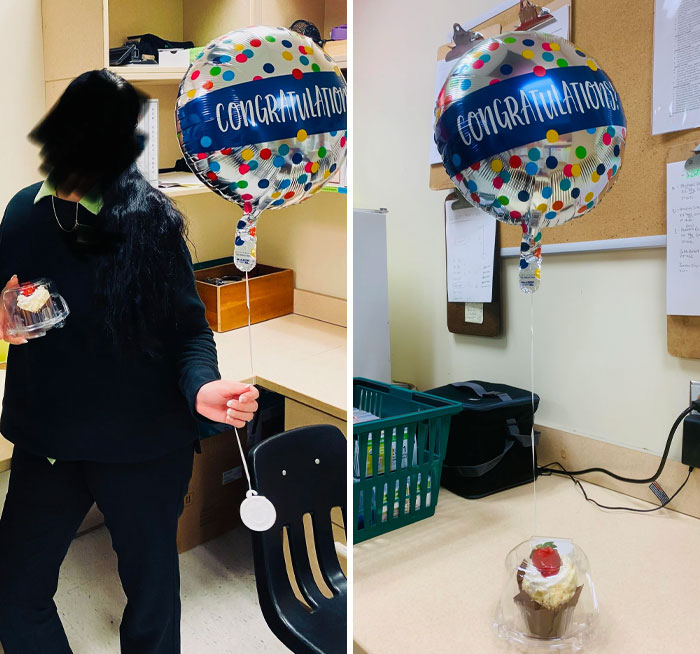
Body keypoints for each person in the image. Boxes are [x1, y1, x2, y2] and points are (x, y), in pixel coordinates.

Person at [0, 69, 259, 654]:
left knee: (152, 600)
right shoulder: (22, 214)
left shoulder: (151, 222)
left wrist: (201, 387)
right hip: (49, 441)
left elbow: (190, 333)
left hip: (145, 442)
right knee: (14, 592)